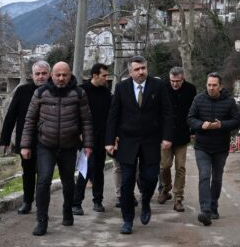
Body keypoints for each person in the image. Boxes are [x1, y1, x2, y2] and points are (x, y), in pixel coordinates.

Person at [20, 61, 93, 237]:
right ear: (52, 75)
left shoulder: (79, 93)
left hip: (69, 146)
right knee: (43, 180)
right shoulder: (40, 93)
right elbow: (30, 120)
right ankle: (41, 220)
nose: (61, 78)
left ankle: (67, 210)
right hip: (46, 144)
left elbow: (86, 121)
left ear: (70, 75)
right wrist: (25, 145)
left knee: (68, 181)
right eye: (57, 75)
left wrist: (88, 144)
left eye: (64, 75)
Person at [105, 55, 172, 235]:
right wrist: (109, 141)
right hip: (127, 142)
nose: (141, 72)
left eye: (143, 68)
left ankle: (146, 203)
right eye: (137, 69)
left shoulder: (158, 86)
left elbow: (167, 113)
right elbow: (113, 115)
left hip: (151, 140)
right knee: (126, 182)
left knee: (150, 178)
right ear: (130, 71)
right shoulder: (121, 88)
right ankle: (127, 219)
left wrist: (167, 137)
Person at [186, 72, 240, 226]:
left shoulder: (229, 102)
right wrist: (200, 125)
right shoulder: (198, 99)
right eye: (209, 85)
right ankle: (205, 211)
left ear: (220, 86)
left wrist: (221, 125)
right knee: (204, 176)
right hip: (202, 146)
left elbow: (237, 121)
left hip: (220, 147)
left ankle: (213, 205)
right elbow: (190, 118)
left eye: (214, 85)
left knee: (216, 178)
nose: (211, 88)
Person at [0, 60, 50, 214]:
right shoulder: (22, 91)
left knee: (44, 174)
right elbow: (11, 116)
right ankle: (27, 201)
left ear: (49, 74)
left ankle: (42, 205)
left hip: (48, 141)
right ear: (31, 75)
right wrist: (5, 140)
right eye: (37, 74)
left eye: (44, 73)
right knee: (28, 173)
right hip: (26, 141)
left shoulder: (55, 91)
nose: (40, 77)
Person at [72, 63, 111, 214]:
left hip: (102, 138)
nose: (106, 79)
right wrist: (79, 133)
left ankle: (98, 201)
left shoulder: (106, 92)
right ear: (95, 75)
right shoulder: (82, 90)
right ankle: (76, 203)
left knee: (99, 170)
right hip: (86, 137)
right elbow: (75, 114)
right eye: (104, 76)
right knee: (85, 169)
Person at [157, 66, 196, 212]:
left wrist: (192, 130)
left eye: (178, 81)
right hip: (165, 136)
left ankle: (178, 198)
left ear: (183, 78)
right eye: (172, 81)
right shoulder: (163, 87)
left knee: (180, 168)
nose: (175, 84)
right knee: (165, 166)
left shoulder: (190, 90)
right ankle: (165, 189)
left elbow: (194, 111)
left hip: (182, 135)